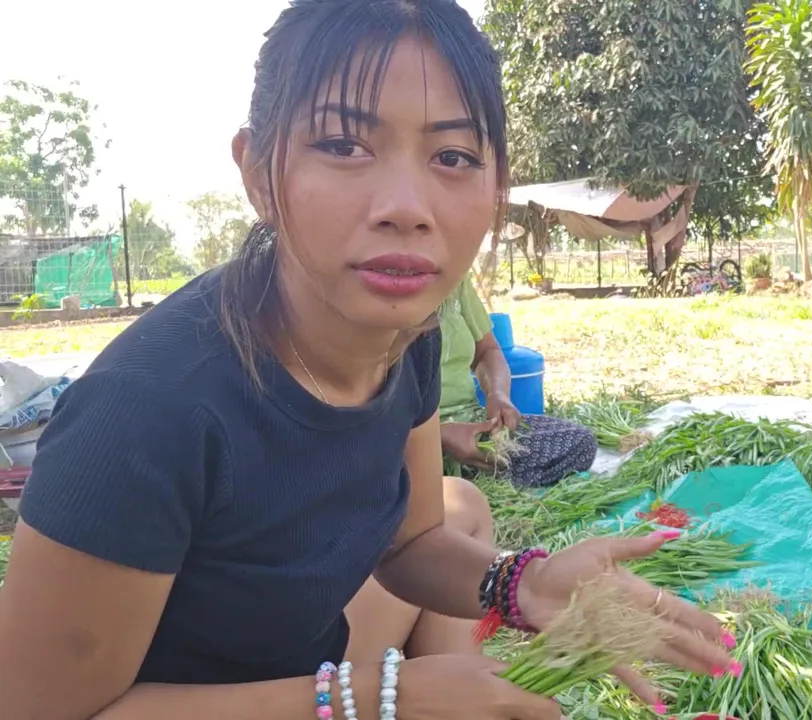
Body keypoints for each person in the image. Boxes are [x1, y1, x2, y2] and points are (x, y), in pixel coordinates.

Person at [0, 3, 735, 719]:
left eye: (454, 157)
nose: (407, 206)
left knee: (464, 506)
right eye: (344, 146)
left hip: (305, 670)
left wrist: (524, 583)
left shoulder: (406, 339)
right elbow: (37, 711)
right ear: (258, 172)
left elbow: (411, 541)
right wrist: (378, 698)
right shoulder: (144, 413)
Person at [438, 275, 596, 486]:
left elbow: (486, 351)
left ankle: (470, 483)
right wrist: (438, 437)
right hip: (405, 441)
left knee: (579, 442)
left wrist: (498, 394)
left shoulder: (454, 278)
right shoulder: (393, 303)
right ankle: (453, 486)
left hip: (471, 425)